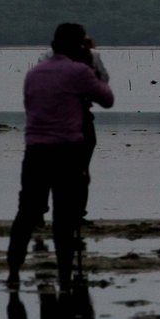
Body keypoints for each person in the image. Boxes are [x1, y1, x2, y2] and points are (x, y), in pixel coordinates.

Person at [7, 23, 114, 290]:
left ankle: (13, 271)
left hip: (35, 150)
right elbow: (107, 98)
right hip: (67, 150)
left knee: (26, 212)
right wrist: (90, 63)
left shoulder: (34, 73)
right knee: (64, 217)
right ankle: (65, 275)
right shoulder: (80, 71)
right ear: (78, 46)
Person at [38, 35, 109, 226]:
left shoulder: (46, 57)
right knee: (80, 169)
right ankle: (76, 213)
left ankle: (40, 213)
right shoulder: (91, 56)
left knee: (47, 169)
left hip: (50, 118)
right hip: (79, 118)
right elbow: (104, 83)